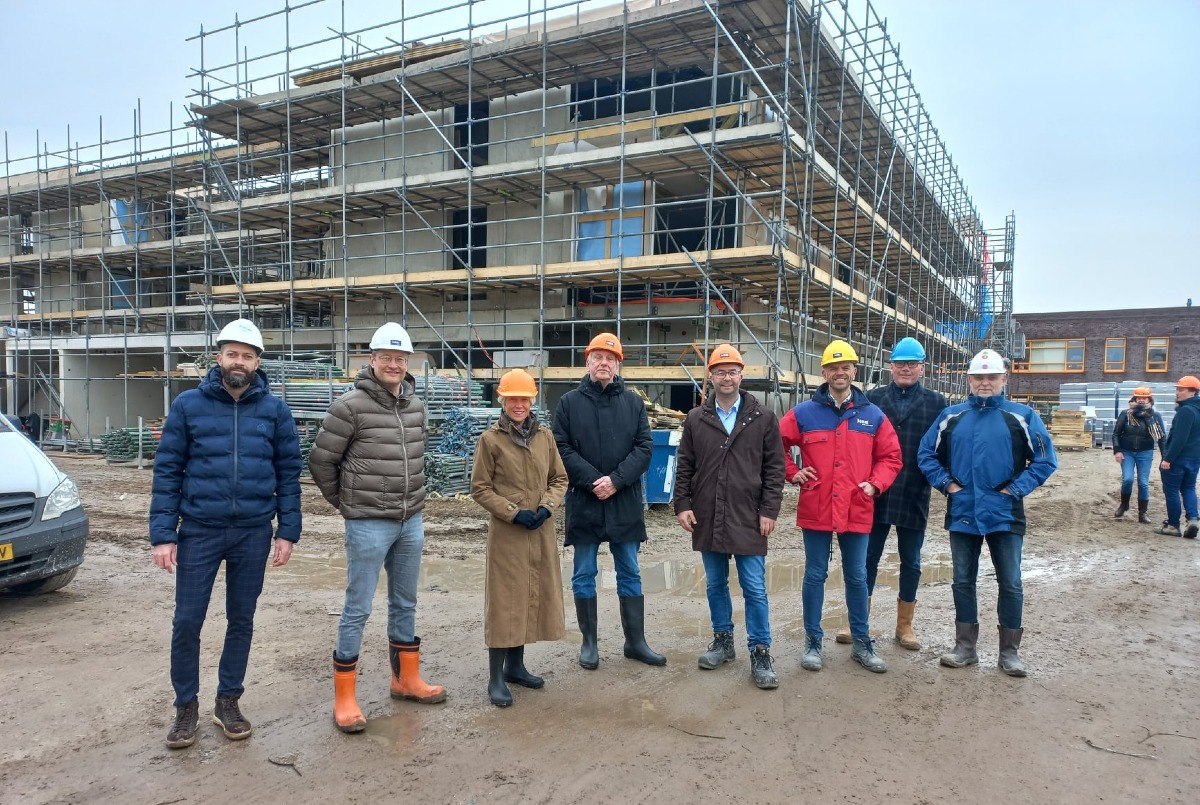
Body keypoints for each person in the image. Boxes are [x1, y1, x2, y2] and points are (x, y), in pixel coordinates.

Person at [149, 318, 302, 749]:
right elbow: (167, 471)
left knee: (242, 619)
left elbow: (289, 474)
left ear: (257, 363)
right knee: (187, 620)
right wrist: (163, 534)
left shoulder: (275, 411)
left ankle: (228, 701)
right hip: (199, 531)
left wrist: (287, 531)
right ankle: (185, 707)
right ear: (219, 358)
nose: (239, 361)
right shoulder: (188, 406)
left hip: (253, 533)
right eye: (232, 353)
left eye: (247, 356)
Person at [309, 322, 446, 735]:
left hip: (411, 520)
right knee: (358, 607)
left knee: (405, 602)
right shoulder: (349, 407)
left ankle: (405, 679)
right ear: (371, 359)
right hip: (368, 523)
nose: (393, 365)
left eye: (400, 359)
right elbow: (321, 461)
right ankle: (345, 698)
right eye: (386, 357)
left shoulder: (415, 406)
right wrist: (348, 504)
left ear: (407, 363)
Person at [918, 348, 1058, 677]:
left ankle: (1009, 653)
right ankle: (965, 648)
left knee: (1010, 583)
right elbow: (926, 454)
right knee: (962, 581)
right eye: (978, 377)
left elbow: (1045, 460)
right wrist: (947, 484)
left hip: (1005, 514)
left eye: (991, 377)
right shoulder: (951, 416)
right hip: (963, 512)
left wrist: (1015, 489)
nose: (985, 383)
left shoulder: (1022, 416)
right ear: (968, 379)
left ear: (1003, 379)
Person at [780, 339, 902, 674]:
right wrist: (793, 472)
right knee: (815, 574)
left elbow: (891, 457)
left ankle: (861, 643)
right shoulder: (804, 413)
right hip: (817, 505)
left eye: (845, 367)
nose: (839, 372)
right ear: (824, 373)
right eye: (833, 368)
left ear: (854, 371)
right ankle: (813, 642)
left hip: (856, 505)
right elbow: (774, 443)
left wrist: (875, 483)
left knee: (857, 576)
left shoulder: (872, 415)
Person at [674, 344, 786, 689]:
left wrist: (769, 510)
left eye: (732, 371)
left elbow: (775, 468)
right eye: (720, 372)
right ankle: (723, 641)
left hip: (748, 515)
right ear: (711, 376)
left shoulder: (762, 417)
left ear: (742, 375)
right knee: (715, 583)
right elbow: (685, 466)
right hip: (708, 513)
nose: (726, 377)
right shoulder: (696, 418)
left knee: (754, 587)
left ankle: (760, 651)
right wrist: (682, 504)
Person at [553, 332, 664, 669]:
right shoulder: (569, 403)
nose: (604, 363)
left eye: (610, 358)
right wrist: (593, 481)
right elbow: (561, 448)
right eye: (598, 357)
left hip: (623, 501)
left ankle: (635, 642)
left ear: (618, 365)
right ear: (587, 362)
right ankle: (589, 643)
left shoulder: (633, 403)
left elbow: (644, 448)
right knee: (584, 572)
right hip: (584, 501)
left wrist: (615, 480)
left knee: (629, 570)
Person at [835, 337, 946, 650]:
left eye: (911, 364)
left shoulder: (936, 403)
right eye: (900, 363)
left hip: (914, 490)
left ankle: (904, 626)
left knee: (911, 561)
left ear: (922, 368)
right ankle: (856, 619)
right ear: (891, 367)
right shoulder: (872, 399)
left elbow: (944, 447)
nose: (905, 368)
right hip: (875, 491)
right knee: (867, 558)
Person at [470, 369, 569, 707]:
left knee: (529, 594)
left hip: (539, 531)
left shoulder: (545, 437)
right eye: (512, 398)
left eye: (524, 399)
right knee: (505, 602)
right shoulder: (490, 441)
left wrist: (547, 506)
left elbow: (559, 479)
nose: (519, 404)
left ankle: (515, 667)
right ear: (502, 399)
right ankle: (495, 677)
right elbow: (480, 488)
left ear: (532, 401)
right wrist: (513, 512)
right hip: (507, 535)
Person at [1154, 375, 1200, 539]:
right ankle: (1193, 520)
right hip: (1195, 458)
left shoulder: (1186, 411)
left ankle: (1173, 525)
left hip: (1179, 459)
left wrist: (1168, 458)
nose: (1178, 392)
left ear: (1193, 392)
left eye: (1181, 389)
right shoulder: (1196, 409)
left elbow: (1179, 438)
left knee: (1172, 490)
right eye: (1178, 389)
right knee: (1189, 488)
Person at [1112, 386, 1166, 524]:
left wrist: (1165, 457)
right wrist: (1117, 450)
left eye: (1144, 398)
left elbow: (1161, 437)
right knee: (1127, 479)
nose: (1141, 400)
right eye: (1139, 397)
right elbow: (1116, 434)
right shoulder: (1125, 414)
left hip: (1145, 453)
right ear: (1134, 398)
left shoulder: (1154, 416)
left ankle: (1142, 513)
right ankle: (1124, 505)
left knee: (1143, 483)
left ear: (1149, 399)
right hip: (1127, 452)